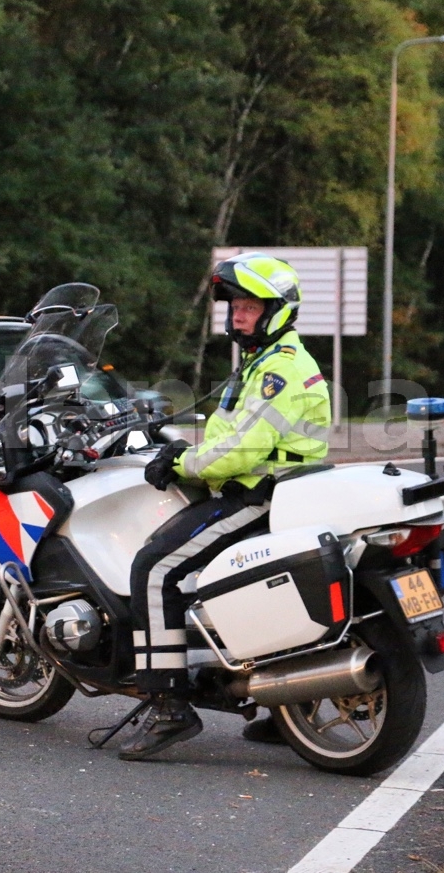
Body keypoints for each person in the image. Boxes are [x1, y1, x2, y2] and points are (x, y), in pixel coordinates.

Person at [119, 252, 332, 760]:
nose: (237, 314)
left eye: (250, 305)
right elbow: (234, 434)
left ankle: (167, 706)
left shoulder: (278, 370)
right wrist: (181, 446)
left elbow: (239, 452)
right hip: (278, 491)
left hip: (257, 495)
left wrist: (180, 465)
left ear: (276, 309)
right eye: (234, 304)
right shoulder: (264, 363)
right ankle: (288, 708)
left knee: (153, 569)